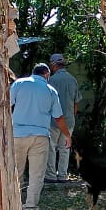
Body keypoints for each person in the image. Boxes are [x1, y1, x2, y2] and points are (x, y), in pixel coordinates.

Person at [10, 63, 71, 210]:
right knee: (36, 175)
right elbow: (58, 117)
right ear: (47, 75)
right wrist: (67, 135)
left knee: (16, 172)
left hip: (17, 135)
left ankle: (12, 208)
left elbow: (6, 105)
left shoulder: (19, 84)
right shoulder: (50, 91)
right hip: (40, 136)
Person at [44, 53, 80, 183]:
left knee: (51, 147)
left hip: (53, 121)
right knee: (65, 148)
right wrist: (72, 117)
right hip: (69, 120)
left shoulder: (51, 81)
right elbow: (76, 103)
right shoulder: (73, 79)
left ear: (53, 66)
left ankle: (51, 175)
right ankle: (63, 175)